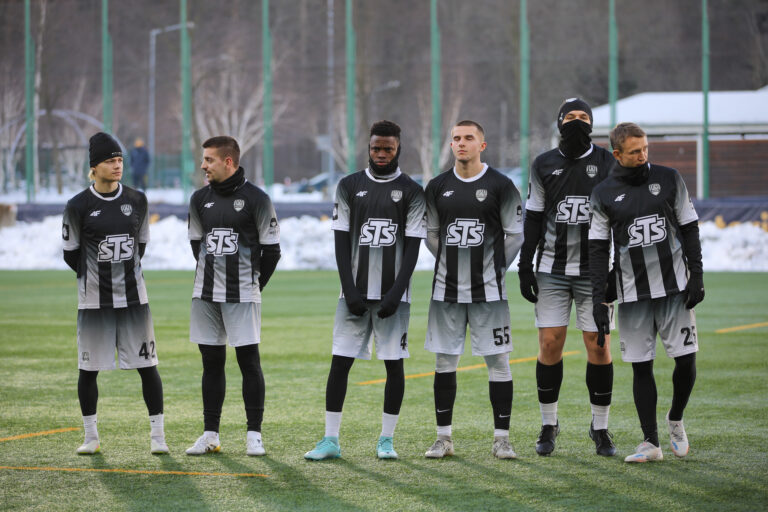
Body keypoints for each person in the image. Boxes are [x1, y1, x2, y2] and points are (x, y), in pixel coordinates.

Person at [304, 120, 426, 460]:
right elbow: (340, 242)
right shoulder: (348, 185)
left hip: (394, 300)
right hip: (353, 297)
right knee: (339, 363)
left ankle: (386, 440)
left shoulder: (413, 192)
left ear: (398, 148)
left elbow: (414, 248)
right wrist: (349, 289)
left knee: (394, 366)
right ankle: (330, 440)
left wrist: (395, 292)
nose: (382, 153)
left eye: (388, 148)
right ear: (368, 148)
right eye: (376, 148)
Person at [589, 122, 704, 462]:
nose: (642, 155)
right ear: (617, 154)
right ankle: (650, 442)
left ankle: (676, 418)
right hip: (631, 293)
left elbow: (689, 227)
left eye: (645, 149)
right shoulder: (603, 193)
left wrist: (696, 275)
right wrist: (599, 298)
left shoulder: (669, 178)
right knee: (642, 366)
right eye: (635, 151)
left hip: (674, 288)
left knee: (686, 360)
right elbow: (598, 250)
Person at [517, 98, 617, 457]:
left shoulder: (608, 161)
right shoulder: (543, 163)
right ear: (559, 122)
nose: (577, 122)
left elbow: (617, 218)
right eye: (571, 117)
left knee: (598, 345)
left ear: (592, 124)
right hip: (551, 270)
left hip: (595, 271)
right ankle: (548, 424)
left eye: (584, 117)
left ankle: (601, 428)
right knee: (549, 344)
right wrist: (524, 264)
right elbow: (533, 216)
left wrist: (614, 272)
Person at [423, 120, 523, 459]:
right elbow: (431, 235)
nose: (461, 143)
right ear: (450, 145)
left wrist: (495, 268)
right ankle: (443, 438)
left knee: (498, 360)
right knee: (444, 362)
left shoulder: (501, 185)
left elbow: (515, 235)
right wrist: (449, 262)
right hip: (445, 292)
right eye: (456, 138)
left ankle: (502, 439)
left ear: (482, 145)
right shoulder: (437, 186)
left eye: (468, 138)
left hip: (489, 293)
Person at [62, 132, 167, 455]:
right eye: (110, 161)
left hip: (135, 300)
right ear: (94, 167)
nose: (117, 165)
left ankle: (158, 438)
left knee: (148, 367)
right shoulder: (78, 206)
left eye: (120, 160)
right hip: (94, 302)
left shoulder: (137, 200)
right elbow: (71, 253)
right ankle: (91, 437)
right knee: (88, 370)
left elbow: (142, 245)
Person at [185, 136, 281, 456]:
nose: (203, 166)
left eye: (209, 160)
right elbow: (197, 246)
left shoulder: (257, 199)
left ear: (228, 162)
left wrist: (253, 285)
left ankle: (254, 435)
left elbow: (272, 251)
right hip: (205, 294)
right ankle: (210, 433)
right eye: (204, 160)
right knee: (211, 363)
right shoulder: (199, 199)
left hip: (243, 294)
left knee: (248, 362)